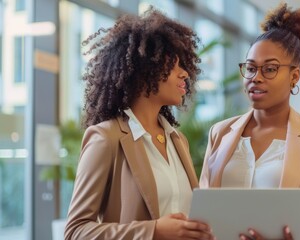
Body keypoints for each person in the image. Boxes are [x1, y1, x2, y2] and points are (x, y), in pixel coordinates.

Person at [199, 3, 300, 240]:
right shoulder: (220, 132)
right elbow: (204, 210)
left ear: (294, 76)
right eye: (250, 68)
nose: (255, 78)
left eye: (270, 69)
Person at [65, 9, 213, 240]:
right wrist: (153, 231)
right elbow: (76, 231)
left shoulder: (178, 140)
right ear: (145, 68)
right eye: (175, 63)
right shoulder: (106, 138)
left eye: (185, 65)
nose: (185, 73)